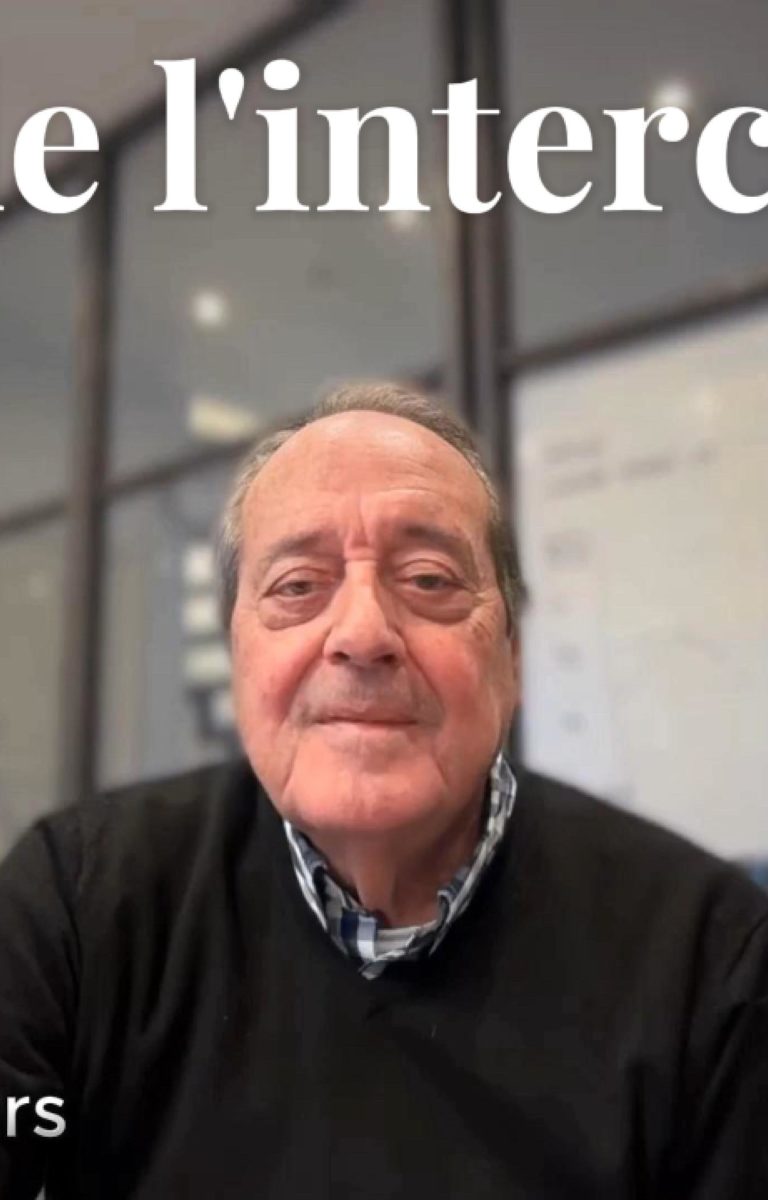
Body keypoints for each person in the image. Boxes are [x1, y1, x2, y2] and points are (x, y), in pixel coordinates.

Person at [0, 381, 766, 1199]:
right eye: (298, 585)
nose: (363, 634)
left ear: (510, 657)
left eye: (429, 580)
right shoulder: (81, 902)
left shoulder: (709, 960)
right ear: (238, 657)